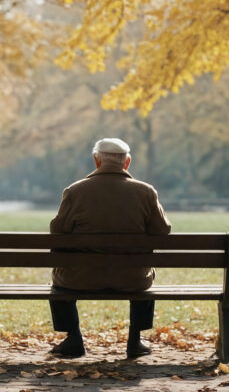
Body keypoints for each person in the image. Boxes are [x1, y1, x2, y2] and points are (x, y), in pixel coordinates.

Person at [48, 137, 172, 358]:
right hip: (132, 278)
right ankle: (135, 341)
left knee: (59, 279)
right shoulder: (145, 192)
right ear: (127, 163)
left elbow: (57, 232)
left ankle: (73, 339)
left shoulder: (75, 191)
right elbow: (162, 231)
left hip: (80, 278)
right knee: (143, 270)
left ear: (97, 161)